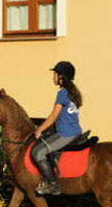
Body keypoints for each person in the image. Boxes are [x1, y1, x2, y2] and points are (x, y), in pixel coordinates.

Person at [30, 60, 83, 196]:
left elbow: (53, 116)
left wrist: (39, 130)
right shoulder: (74, 92)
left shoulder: (62, 93)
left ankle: (53, 185)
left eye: (54, 74)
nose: (52, 77)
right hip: (76, 131)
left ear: (61, 77)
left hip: (66, 134)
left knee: (38, 152)